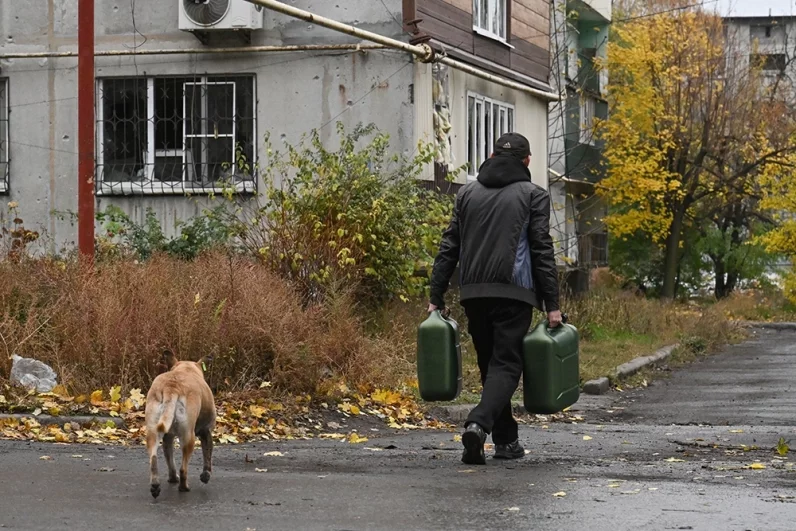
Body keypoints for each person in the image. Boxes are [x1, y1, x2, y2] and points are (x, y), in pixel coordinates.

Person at [428, 132, 562, 465]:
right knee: (506, 364)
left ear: (490, 155)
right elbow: (541, 250)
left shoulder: (466, 194)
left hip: (473, 293)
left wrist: (436, 294)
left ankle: (506, 440)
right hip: (514, 292)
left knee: (492, 367)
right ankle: (478, 423)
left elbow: (450, 247)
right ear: (527, 161)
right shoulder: (534, 195)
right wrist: (552, 303)